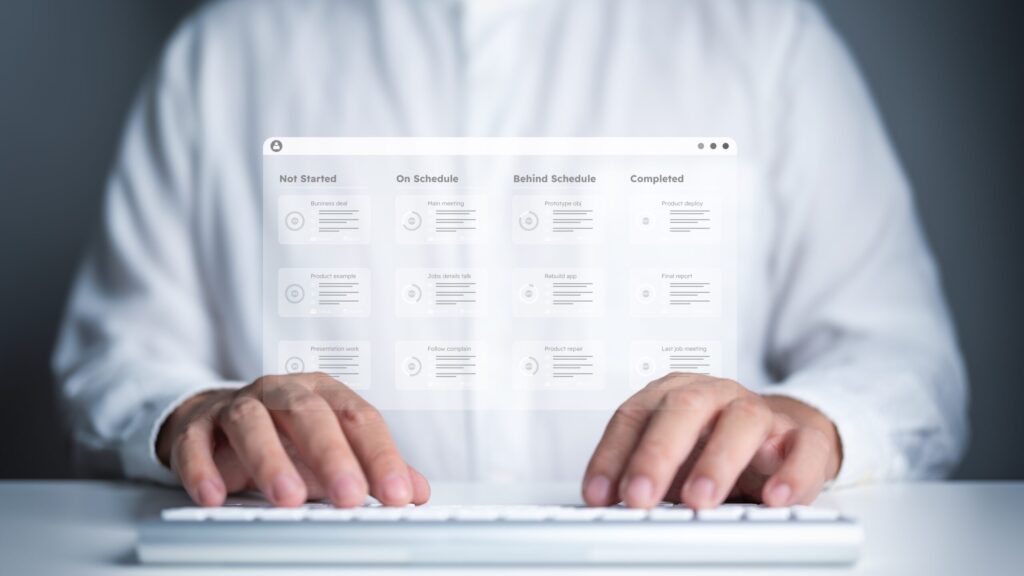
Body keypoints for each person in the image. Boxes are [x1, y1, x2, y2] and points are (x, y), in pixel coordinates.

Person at [52, 0, 967, 510]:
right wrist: (190, 415)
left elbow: (903, 360)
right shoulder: (222, 55)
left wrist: (809, 423)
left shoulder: (766, 40)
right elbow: (118, 354)